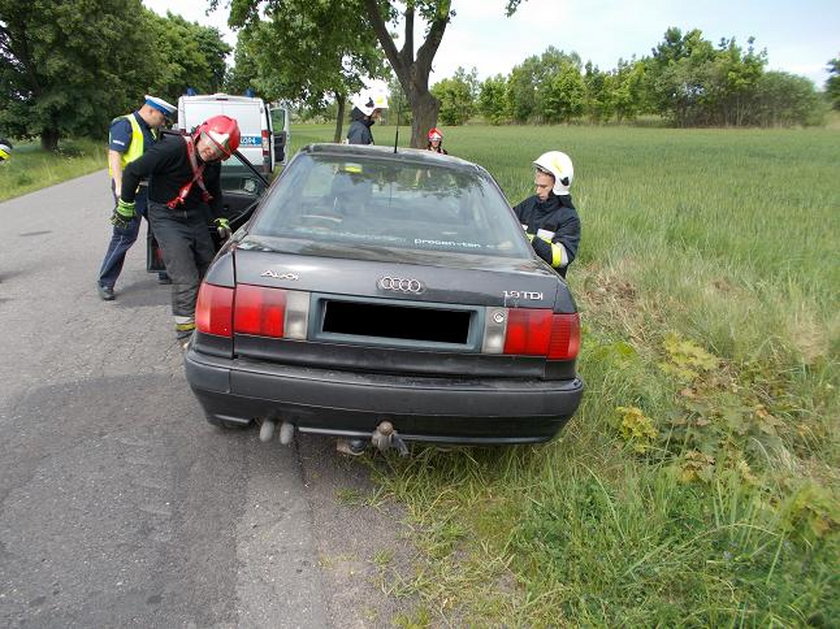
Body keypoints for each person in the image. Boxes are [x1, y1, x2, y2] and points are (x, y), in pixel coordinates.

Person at [114, 115, 240, 347]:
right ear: (201, 134)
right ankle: (186, 334)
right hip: (165, 216)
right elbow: (133, 170)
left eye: (220, 150)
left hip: (194, 215)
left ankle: (207, 322)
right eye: (210, 143)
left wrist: (220, 218)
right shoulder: (172, 148)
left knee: (209, 271)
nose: (212, 151)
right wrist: (126, 205)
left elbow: (214, 192)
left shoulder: (213, 164)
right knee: (186, 278)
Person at [96, 95, 176, 300]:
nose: (163, 122)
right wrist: (121, 189)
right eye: (162, 117)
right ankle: (106, 282)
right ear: (151, 111)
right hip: (132, 190)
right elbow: (115, 156)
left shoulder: (149, 130)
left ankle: (164, 271)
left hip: (150, 189)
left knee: (162, 228)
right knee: (125, 235)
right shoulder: (125, 124)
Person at [512, 151, 581, 278]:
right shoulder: (528, 205)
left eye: (543, 187)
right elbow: (505, 223)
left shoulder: (569, 218)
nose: (538, 191)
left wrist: (529, 240)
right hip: (519, 277)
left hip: (548, 283)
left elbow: (563, 257)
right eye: (537, 186)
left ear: (558, 186)